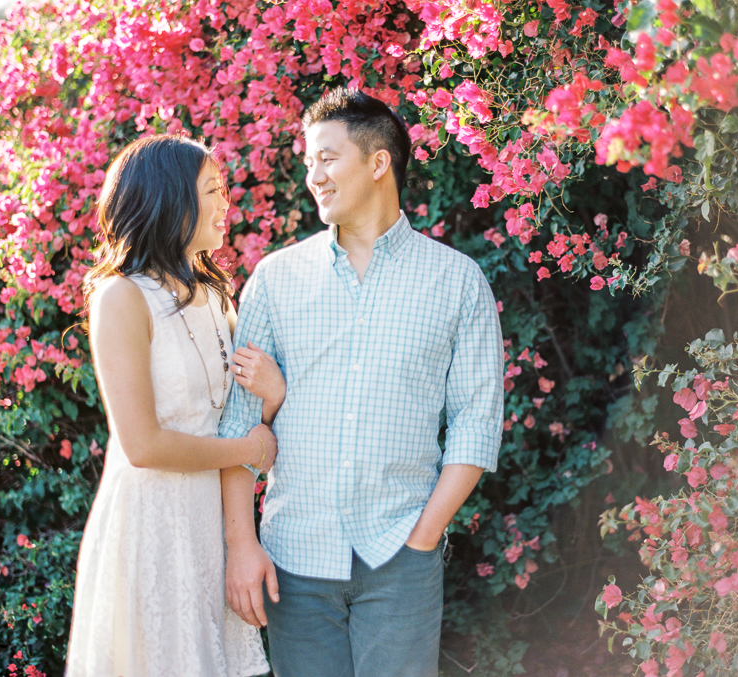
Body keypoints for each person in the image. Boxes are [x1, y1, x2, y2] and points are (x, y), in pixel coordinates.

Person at [219, 87, 504, 677]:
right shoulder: (275, 279)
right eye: (308, 164)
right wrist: (242, 546)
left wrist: (423, 538)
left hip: (401, 559)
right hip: (293, 560)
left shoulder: (457, 282)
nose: (313, 176)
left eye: (328, 158)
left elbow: (476, 426)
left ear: (378, 163)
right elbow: (238, 425)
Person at [65, 134, 286, 677]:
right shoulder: (120, 297)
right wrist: (250, 447)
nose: (225, 202)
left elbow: (241, 401)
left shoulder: (217, 296)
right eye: (212, 190)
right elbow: (142, 445)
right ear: (169, 200)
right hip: (152, 522)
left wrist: (273, 396)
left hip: (208, 524)